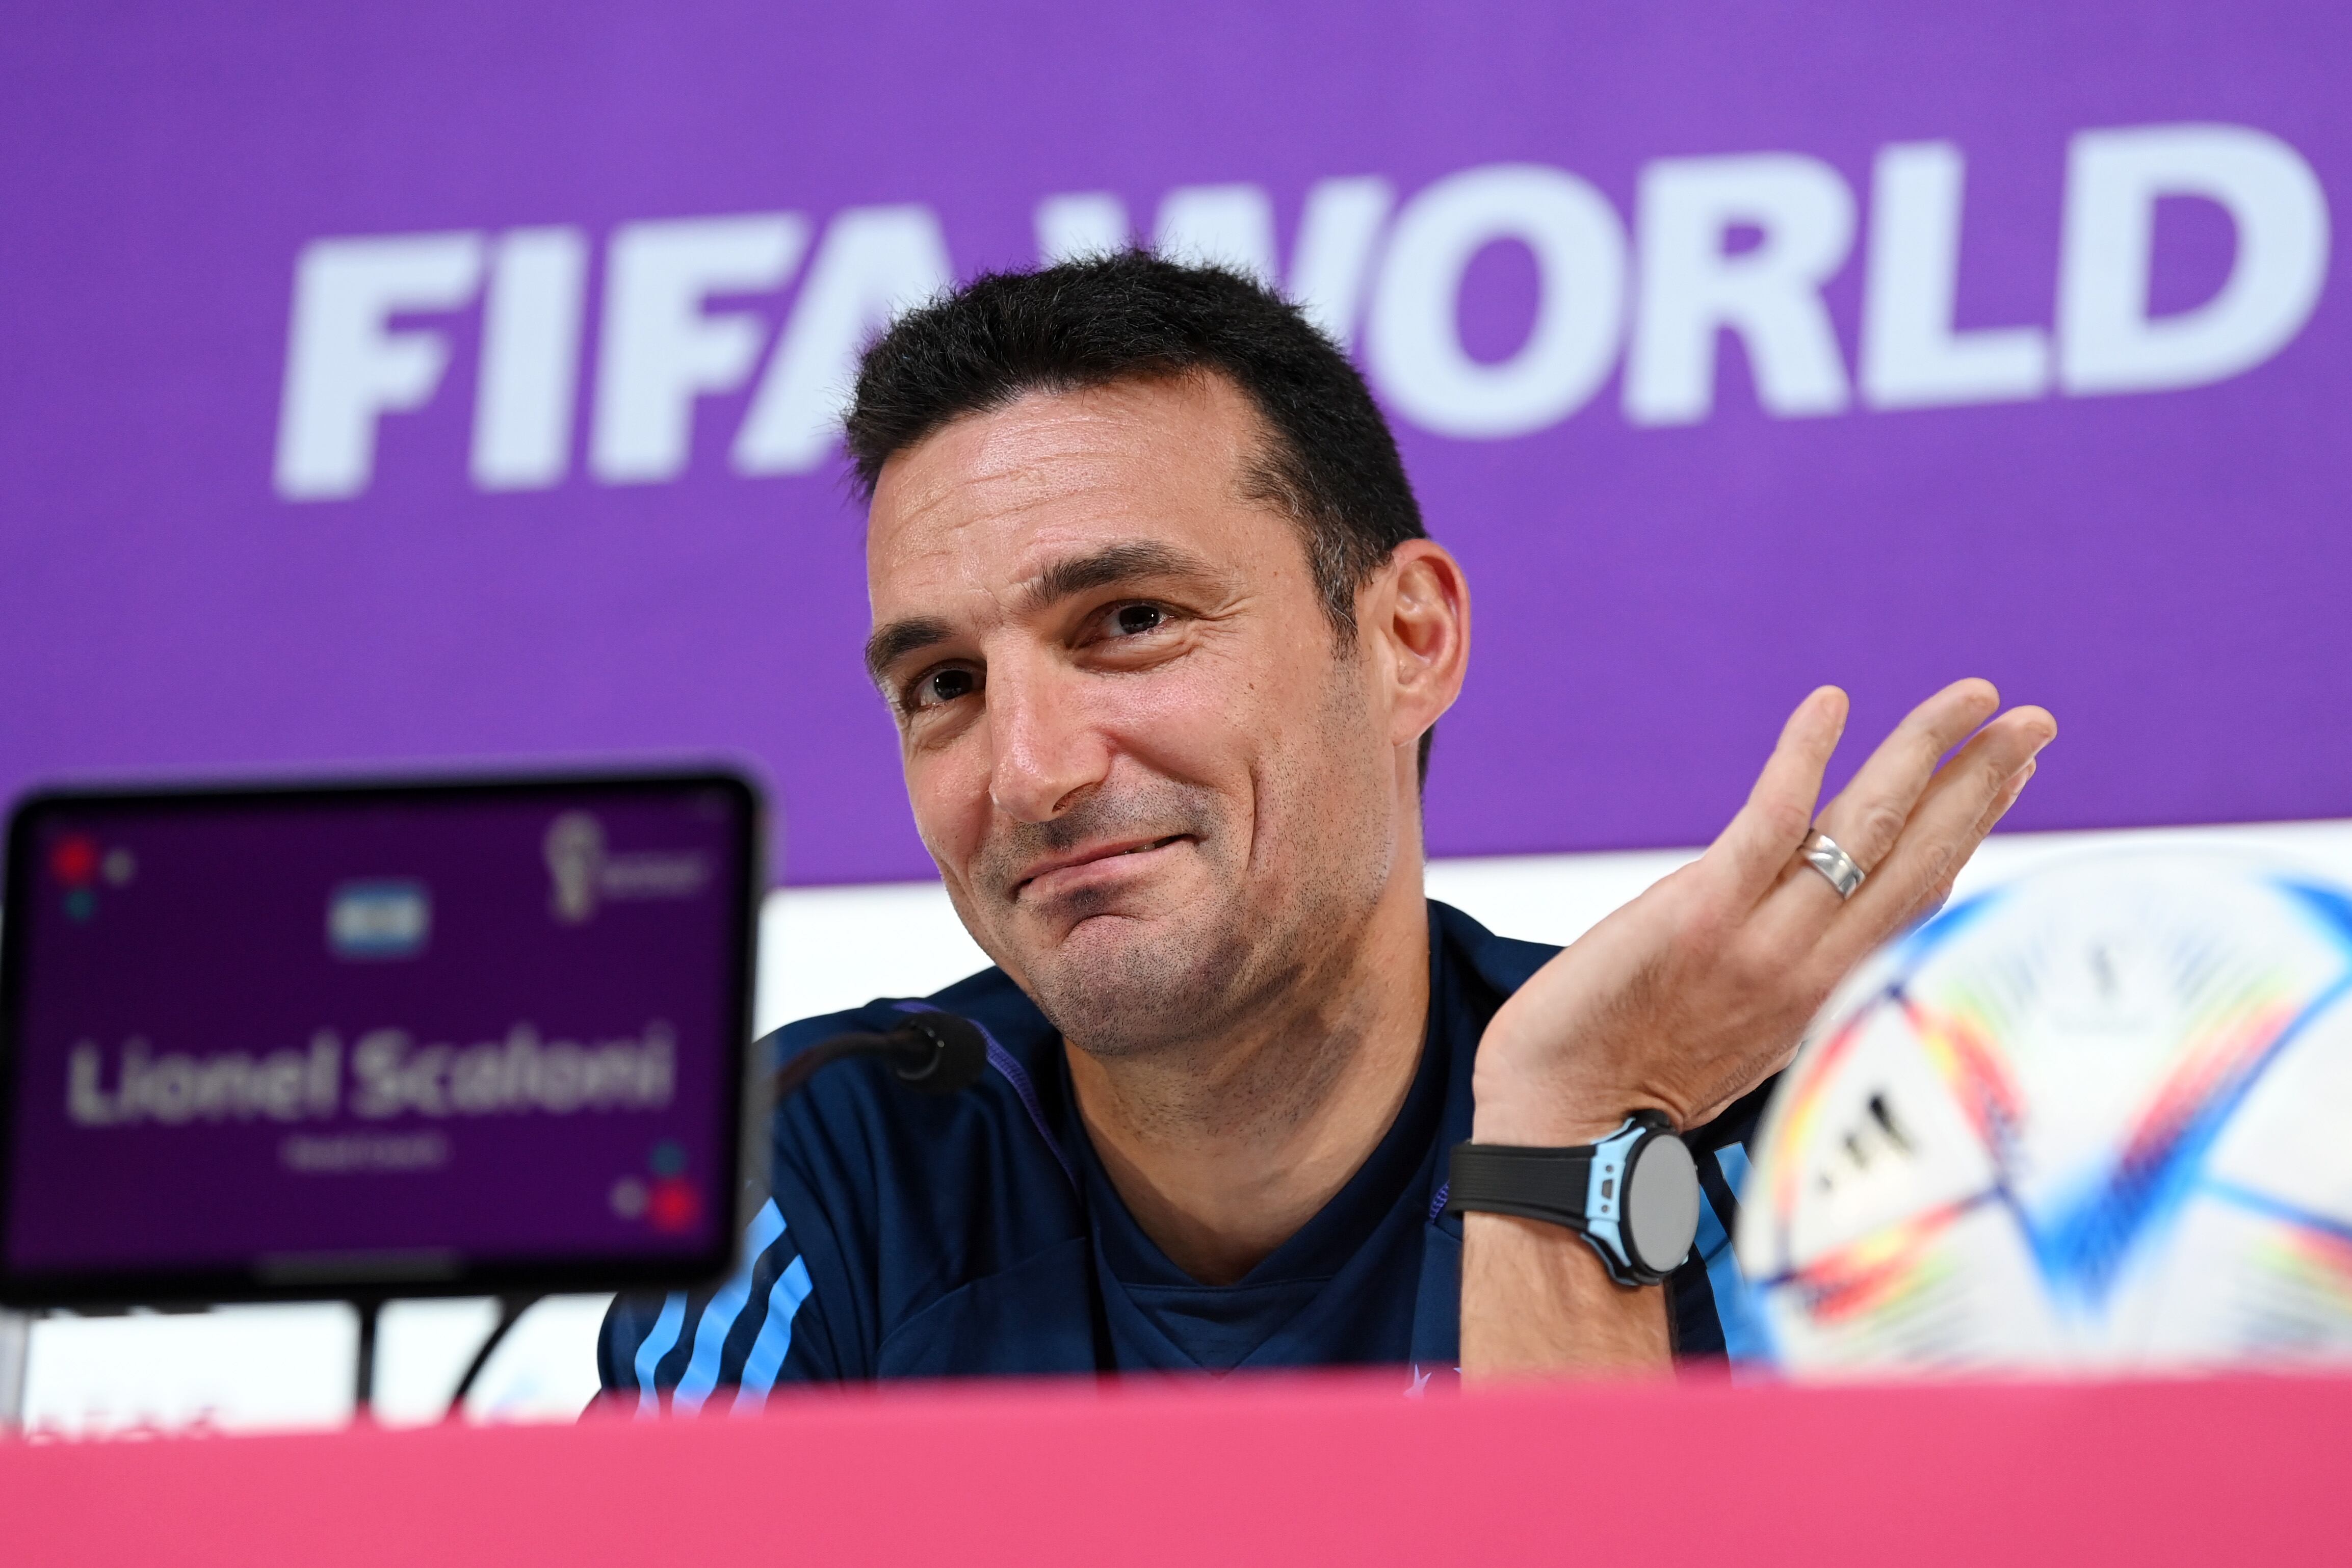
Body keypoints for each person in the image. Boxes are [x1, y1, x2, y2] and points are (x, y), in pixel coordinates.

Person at [599, 253, 2054, 1404]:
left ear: (1407, 636)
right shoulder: (822, 1171)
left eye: (1132, 621)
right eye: (945, 684)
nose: (1030, 771)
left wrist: (1563, 1141)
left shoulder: (1781, 1145)